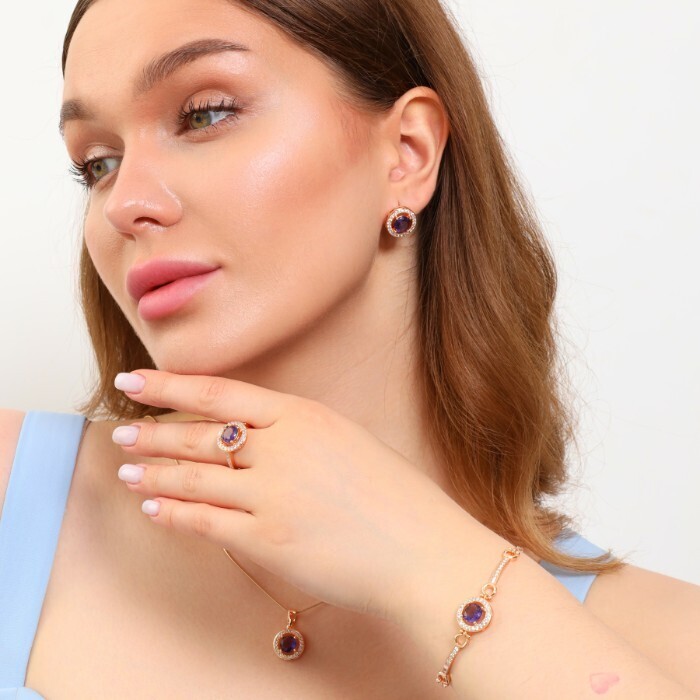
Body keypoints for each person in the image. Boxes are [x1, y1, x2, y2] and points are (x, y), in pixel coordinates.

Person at [0, 0, 698, 697]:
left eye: (206, 114)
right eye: (98, 164)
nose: (124, 204)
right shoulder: (15, 499)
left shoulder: (665, 647)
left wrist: (428, 562)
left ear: (407, 153)